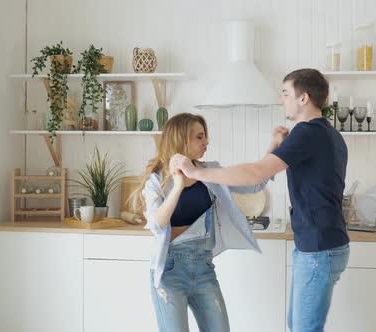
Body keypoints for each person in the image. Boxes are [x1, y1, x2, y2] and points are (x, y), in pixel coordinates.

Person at [172, 68, 350, 332]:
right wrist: (276, 144)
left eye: (286, 93)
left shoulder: (307, 133)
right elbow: (262, 171)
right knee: (300, 326)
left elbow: (256, 173)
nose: (282, 99)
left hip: (317, 248)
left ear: (304, 98)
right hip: (325, 244)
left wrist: (196, 172)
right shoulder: (328, 133)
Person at [130, 112, 277, 332]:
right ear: (181, 139)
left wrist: (274, 148)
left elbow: (253, 184)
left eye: (205, 136)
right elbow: (157, 223)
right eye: (199, 137)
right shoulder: (157, 178)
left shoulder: (208, 172)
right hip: (170, 271)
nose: (206, 142)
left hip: (203, 268)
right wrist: (178, 185)